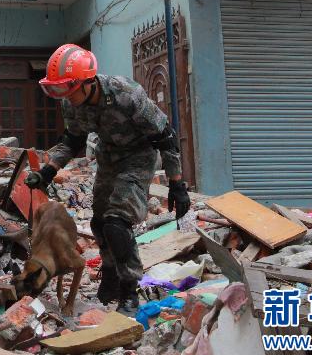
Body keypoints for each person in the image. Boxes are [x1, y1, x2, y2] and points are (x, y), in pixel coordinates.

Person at [25, 44, 190, 313]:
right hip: (109, 156)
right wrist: (48, 171)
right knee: (100, 223)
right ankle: (111, 273)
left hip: (138, 157)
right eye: (57, 89)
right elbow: (72, 140)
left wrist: (177, 183)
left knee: (117, 223)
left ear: (87, 82)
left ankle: (129, 291)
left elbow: (165, 136)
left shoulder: (126, 94)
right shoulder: (72, 102)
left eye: (67, 88)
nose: (63, 95)